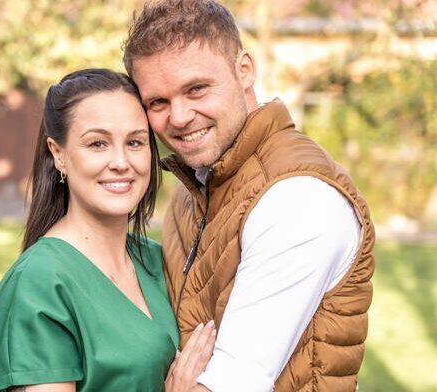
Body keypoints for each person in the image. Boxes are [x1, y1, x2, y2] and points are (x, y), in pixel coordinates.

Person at [122, 1, 375, 391]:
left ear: (244, 70)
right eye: (158, 102)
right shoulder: (195, 190)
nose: (179, 117)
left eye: (197, 89)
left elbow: (232, 382)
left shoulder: (297, 200)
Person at [0, 68, 216, 392]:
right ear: (58, 154)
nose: (120, 161)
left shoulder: (158, 260)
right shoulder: (40, 283)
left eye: (134, 142)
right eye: (98, 143)